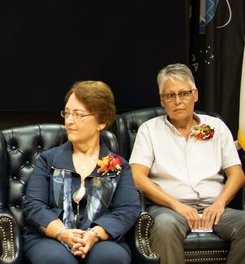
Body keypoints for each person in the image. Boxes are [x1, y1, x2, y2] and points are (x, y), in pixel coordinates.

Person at [129, 63, 245, 264]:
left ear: (195, 95)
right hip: (168, 209)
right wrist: (176, 205)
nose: (178, 101)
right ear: (162, 100)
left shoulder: (216, 126)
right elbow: (136, 176)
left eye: (184, 93)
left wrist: (219, 203)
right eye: (170, 95)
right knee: (164, 226)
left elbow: (237, 174)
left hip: (214, 207)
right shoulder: (149, 130)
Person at [22, 80, 140, 263]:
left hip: (101, 239)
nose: (69, 121)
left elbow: (127, 209)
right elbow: (34, 206)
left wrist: (93, 234)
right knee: (56, 259)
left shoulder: (118, 166)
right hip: (50, 237)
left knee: (110, 257)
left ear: (101, 122)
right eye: (67, 113)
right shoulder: (48, 160)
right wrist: (62, 233)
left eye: (78, 114)